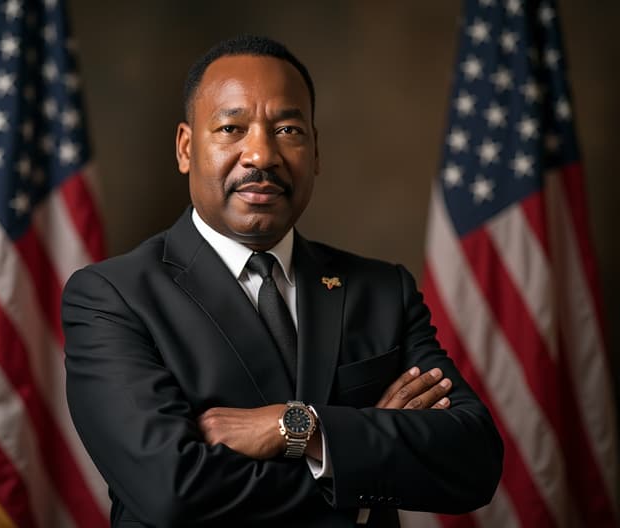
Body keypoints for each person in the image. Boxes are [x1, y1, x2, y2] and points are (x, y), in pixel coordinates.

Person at [62, 35, 503, 528]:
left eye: (288, 129)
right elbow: (173, 491)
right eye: (232, 127)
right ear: (187, 148)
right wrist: (361, 476)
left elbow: (474, 459)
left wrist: (298, 426)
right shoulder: (112, 297)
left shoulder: (382, 292)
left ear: (315, 151)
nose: (261, 155)